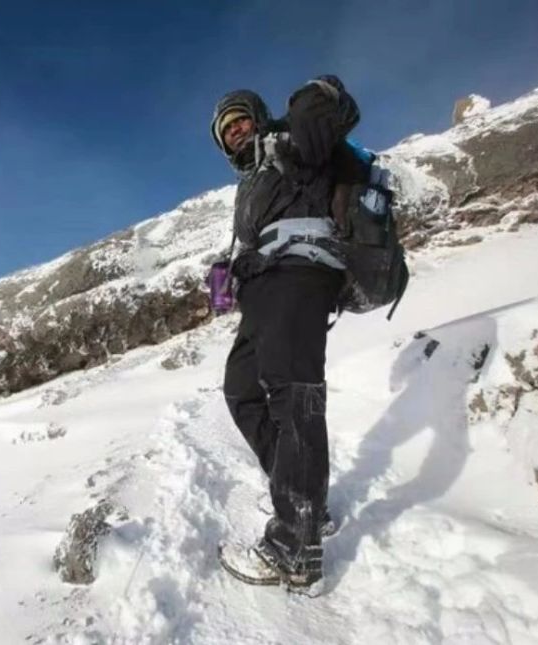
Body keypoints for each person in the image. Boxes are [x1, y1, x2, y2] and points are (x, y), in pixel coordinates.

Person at [211, 76, 360, 589]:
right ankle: (299, 495)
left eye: (240, 120)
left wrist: (319, 93)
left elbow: (326, 122)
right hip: (264, 290)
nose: (234, 132)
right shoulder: (252, 181)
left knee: (292, 393)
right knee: (241, 389)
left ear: (259, 115)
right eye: (225, 130)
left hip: (301, 274)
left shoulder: (289, 144)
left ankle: (294, 547)